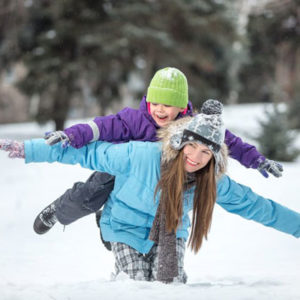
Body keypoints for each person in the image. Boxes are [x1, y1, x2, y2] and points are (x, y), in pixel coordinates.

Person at [0, 101, 299, 284]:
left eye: (206, 152)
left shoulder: (212, 182)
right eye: (191, 146)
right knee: (137, 285)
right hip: (124, 226)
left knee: (169, 285)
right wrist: (26, 150)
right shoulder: (141, 156)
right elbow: (82, 154)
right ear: (181, 142)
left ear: (214, 158)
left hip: (171, 232)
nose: (195, 157)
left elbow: (258, 206)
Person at [27, 67, 283, 238]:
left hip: (156, 179)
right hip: (120, 169)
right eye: (155, 103)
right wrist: (72, 134)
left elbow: (229, 142)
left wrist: (257, 160)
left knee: (151, 215)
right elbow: (100, 127)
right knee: (89, 194)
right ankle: (57, 211)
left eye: (168, 105)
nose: (160, 110)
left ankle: (112, 221)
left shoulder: (193, 124)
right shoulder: (134, 119)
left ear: (181, 107)